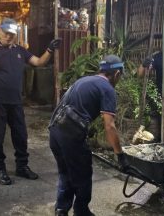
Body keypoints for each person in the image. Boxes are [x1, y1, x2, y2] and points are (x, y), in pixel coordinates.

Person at [0, 18, 61, 185]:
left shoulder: (21, 51)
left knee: (21, 135)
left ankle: (22, 166)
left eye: (12, 34)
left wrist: (50, 49)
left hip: (15, 102)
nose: (9, 36)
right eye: (6, 33)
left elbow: (38, 62)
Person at [49, 55, 129, 216]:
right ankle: (81, 211)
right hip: (71, 135)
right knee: (83, 173)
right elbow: (109, 126)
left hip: (55, 131)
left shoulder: (84, 80)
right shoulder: (107, 89)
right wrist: (119, 154)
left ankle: (61, 209)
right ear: (117, 74)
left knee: (66, 171)